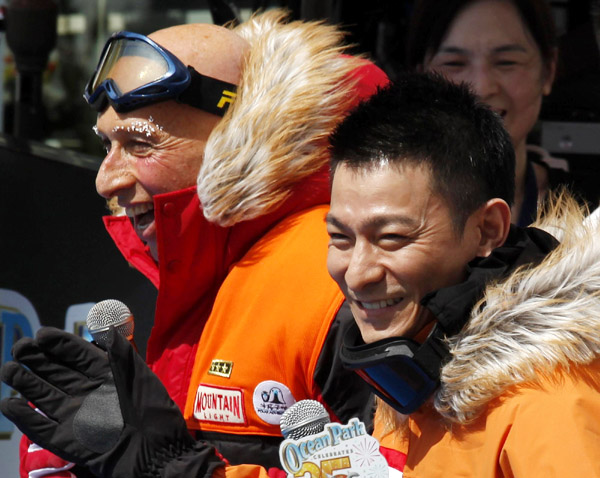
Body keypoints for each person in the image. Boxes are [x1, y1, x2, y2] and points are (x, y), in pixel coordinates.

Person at [12, 9, 389, 477]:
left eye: (140, 143)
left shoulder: (342, 277)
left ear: (240, 140)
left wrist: (169, 468)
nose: (105, 180)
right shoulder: (174, 267)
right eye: (106, 145)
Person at [325, 72, 600, 475]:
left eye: (392, 237)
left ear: (487, 229)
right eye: (340, 237)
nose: (357, 273)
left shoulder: (549, 400)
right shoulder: (409, 359)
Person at [405, 0, 589, 226]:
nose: (482, 88)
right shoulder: (381, 209)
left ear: (548, 70)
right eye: (454, 62)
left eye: (506, 62)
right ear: (420, 75)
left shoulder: (591, 217)